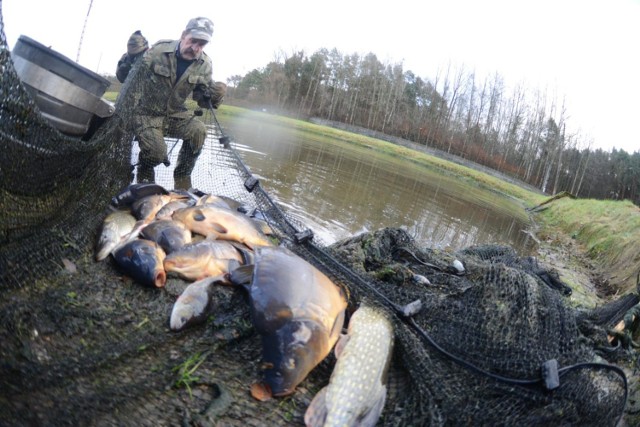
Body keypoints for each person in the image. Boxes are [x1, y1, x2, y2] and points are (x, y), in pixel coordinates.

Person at [118, 17, 227, 189]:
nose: (195, 48)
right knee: (156, 154)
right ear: (183, 35)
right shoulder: (158, 51)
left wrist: (215, 97)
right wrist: (130, 57)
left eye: (201, 44)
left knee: (198, 131)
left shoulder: (205, 65)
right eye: (193, 41)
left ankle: (182, 180)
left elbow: (201, 101)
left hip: (175, 115)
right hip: (146, 113)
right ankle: (145, 171)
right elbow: (123, 77)